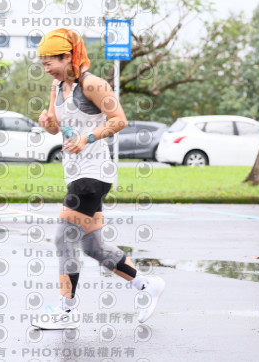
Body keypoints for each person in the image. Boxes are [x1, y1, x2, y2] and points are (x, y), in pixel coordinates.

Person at [30, 28, 165, 330]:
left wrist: (87, 137)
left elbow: (119, 120)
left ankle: (67, 309)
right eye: (43, 63)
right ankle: (146, 285)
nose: (46, 68)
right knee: (94, 248)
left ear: (68, 56)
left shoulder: (93, 84)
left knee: (63, 238)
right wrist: (47, 122)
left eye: (50, 62)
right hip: (75, 173)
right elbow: (56, 128)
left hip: (93, 174)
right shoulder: (56, 87)